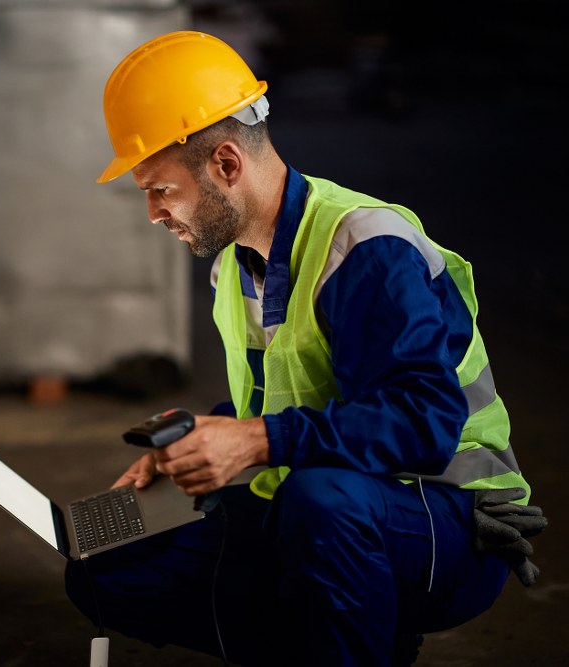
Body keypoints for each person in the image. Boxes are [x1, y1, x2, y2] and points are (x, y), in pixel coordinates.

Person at [64, 31, 546, 666]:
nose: (153, 211)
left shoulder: (367, 249)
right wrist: (196, 446)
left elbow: (423, 425)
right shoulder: (233, 268)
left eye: (161, 188)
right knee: (106, 567)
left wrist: (254, 442)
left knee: (321, 503)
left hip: (442, 517)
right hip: (323, 503)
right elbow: (282, 397)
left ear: (226, 165)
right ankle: (343, 645)